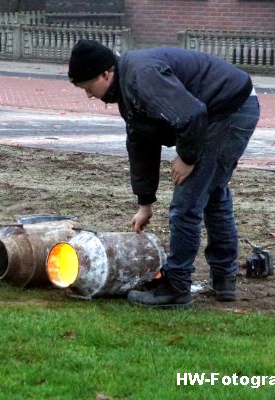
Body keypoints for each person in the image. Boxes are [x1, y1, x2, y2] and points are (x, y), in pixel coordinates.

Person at [67, 39, 260, 308]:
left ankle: (177, 286)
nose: (89, 95)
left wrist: (188, 157)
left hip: (229, 111)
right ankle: (224, 278)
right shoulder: (128, 87)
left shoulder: (142, 77)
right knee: (213, 193)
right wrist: (145, 203)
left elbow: (192, 115)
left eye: (88, 87)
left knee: (186, 204)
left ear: (105, 74)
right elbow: (140, 142)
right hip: (226, 109)